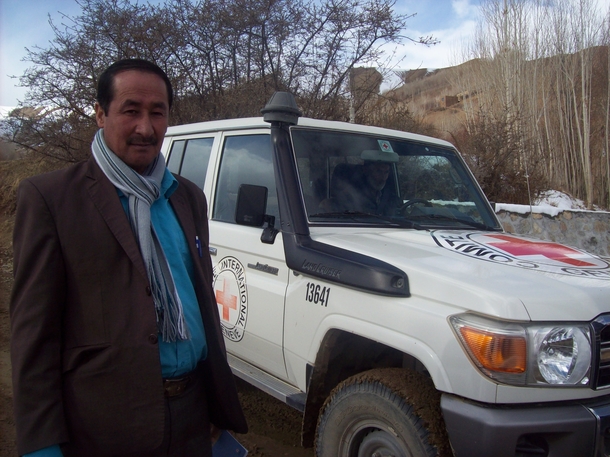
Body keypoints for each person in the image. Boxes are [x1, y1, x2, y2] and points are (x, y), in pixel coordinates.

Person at [10, 59, 247, 457]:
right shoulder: (52, 198)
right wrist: (43, 446)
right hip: (103, 423)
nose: (146, 127)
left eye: (158, 112)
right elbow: (35, 334)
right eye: (131, 110)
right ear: (101, 114)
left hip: (193, 412)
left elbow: (200, 303)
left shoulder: (185, 196)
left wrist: (214, 403)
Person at [321, 148, 401, 216]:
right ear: (366, 170)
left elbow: (402, 218)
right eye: (378, 171)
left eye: (386, 172)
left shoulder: (393, 199)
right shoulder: (350, 197)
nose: (383, 177)